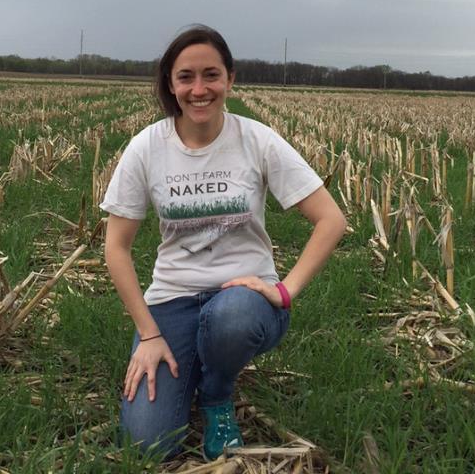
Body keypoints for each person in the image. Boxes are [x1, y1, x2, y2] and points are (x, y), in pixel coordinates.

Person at [100, 25, 347, 461]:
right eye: (186, 77)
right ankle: (192, 358)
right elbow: (117, 247)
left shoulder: (257, 140)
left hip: (244, 301)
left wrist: (284, 290)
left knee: (229, 318)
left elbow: (331, 220)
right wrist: (149, 333)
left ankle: (216, 394)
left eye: (211, 75)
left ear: (230, 79)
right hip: (172, 301)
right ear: (170, 84)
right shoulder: (146, 148)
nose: (200, 89)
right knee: (147, 446)